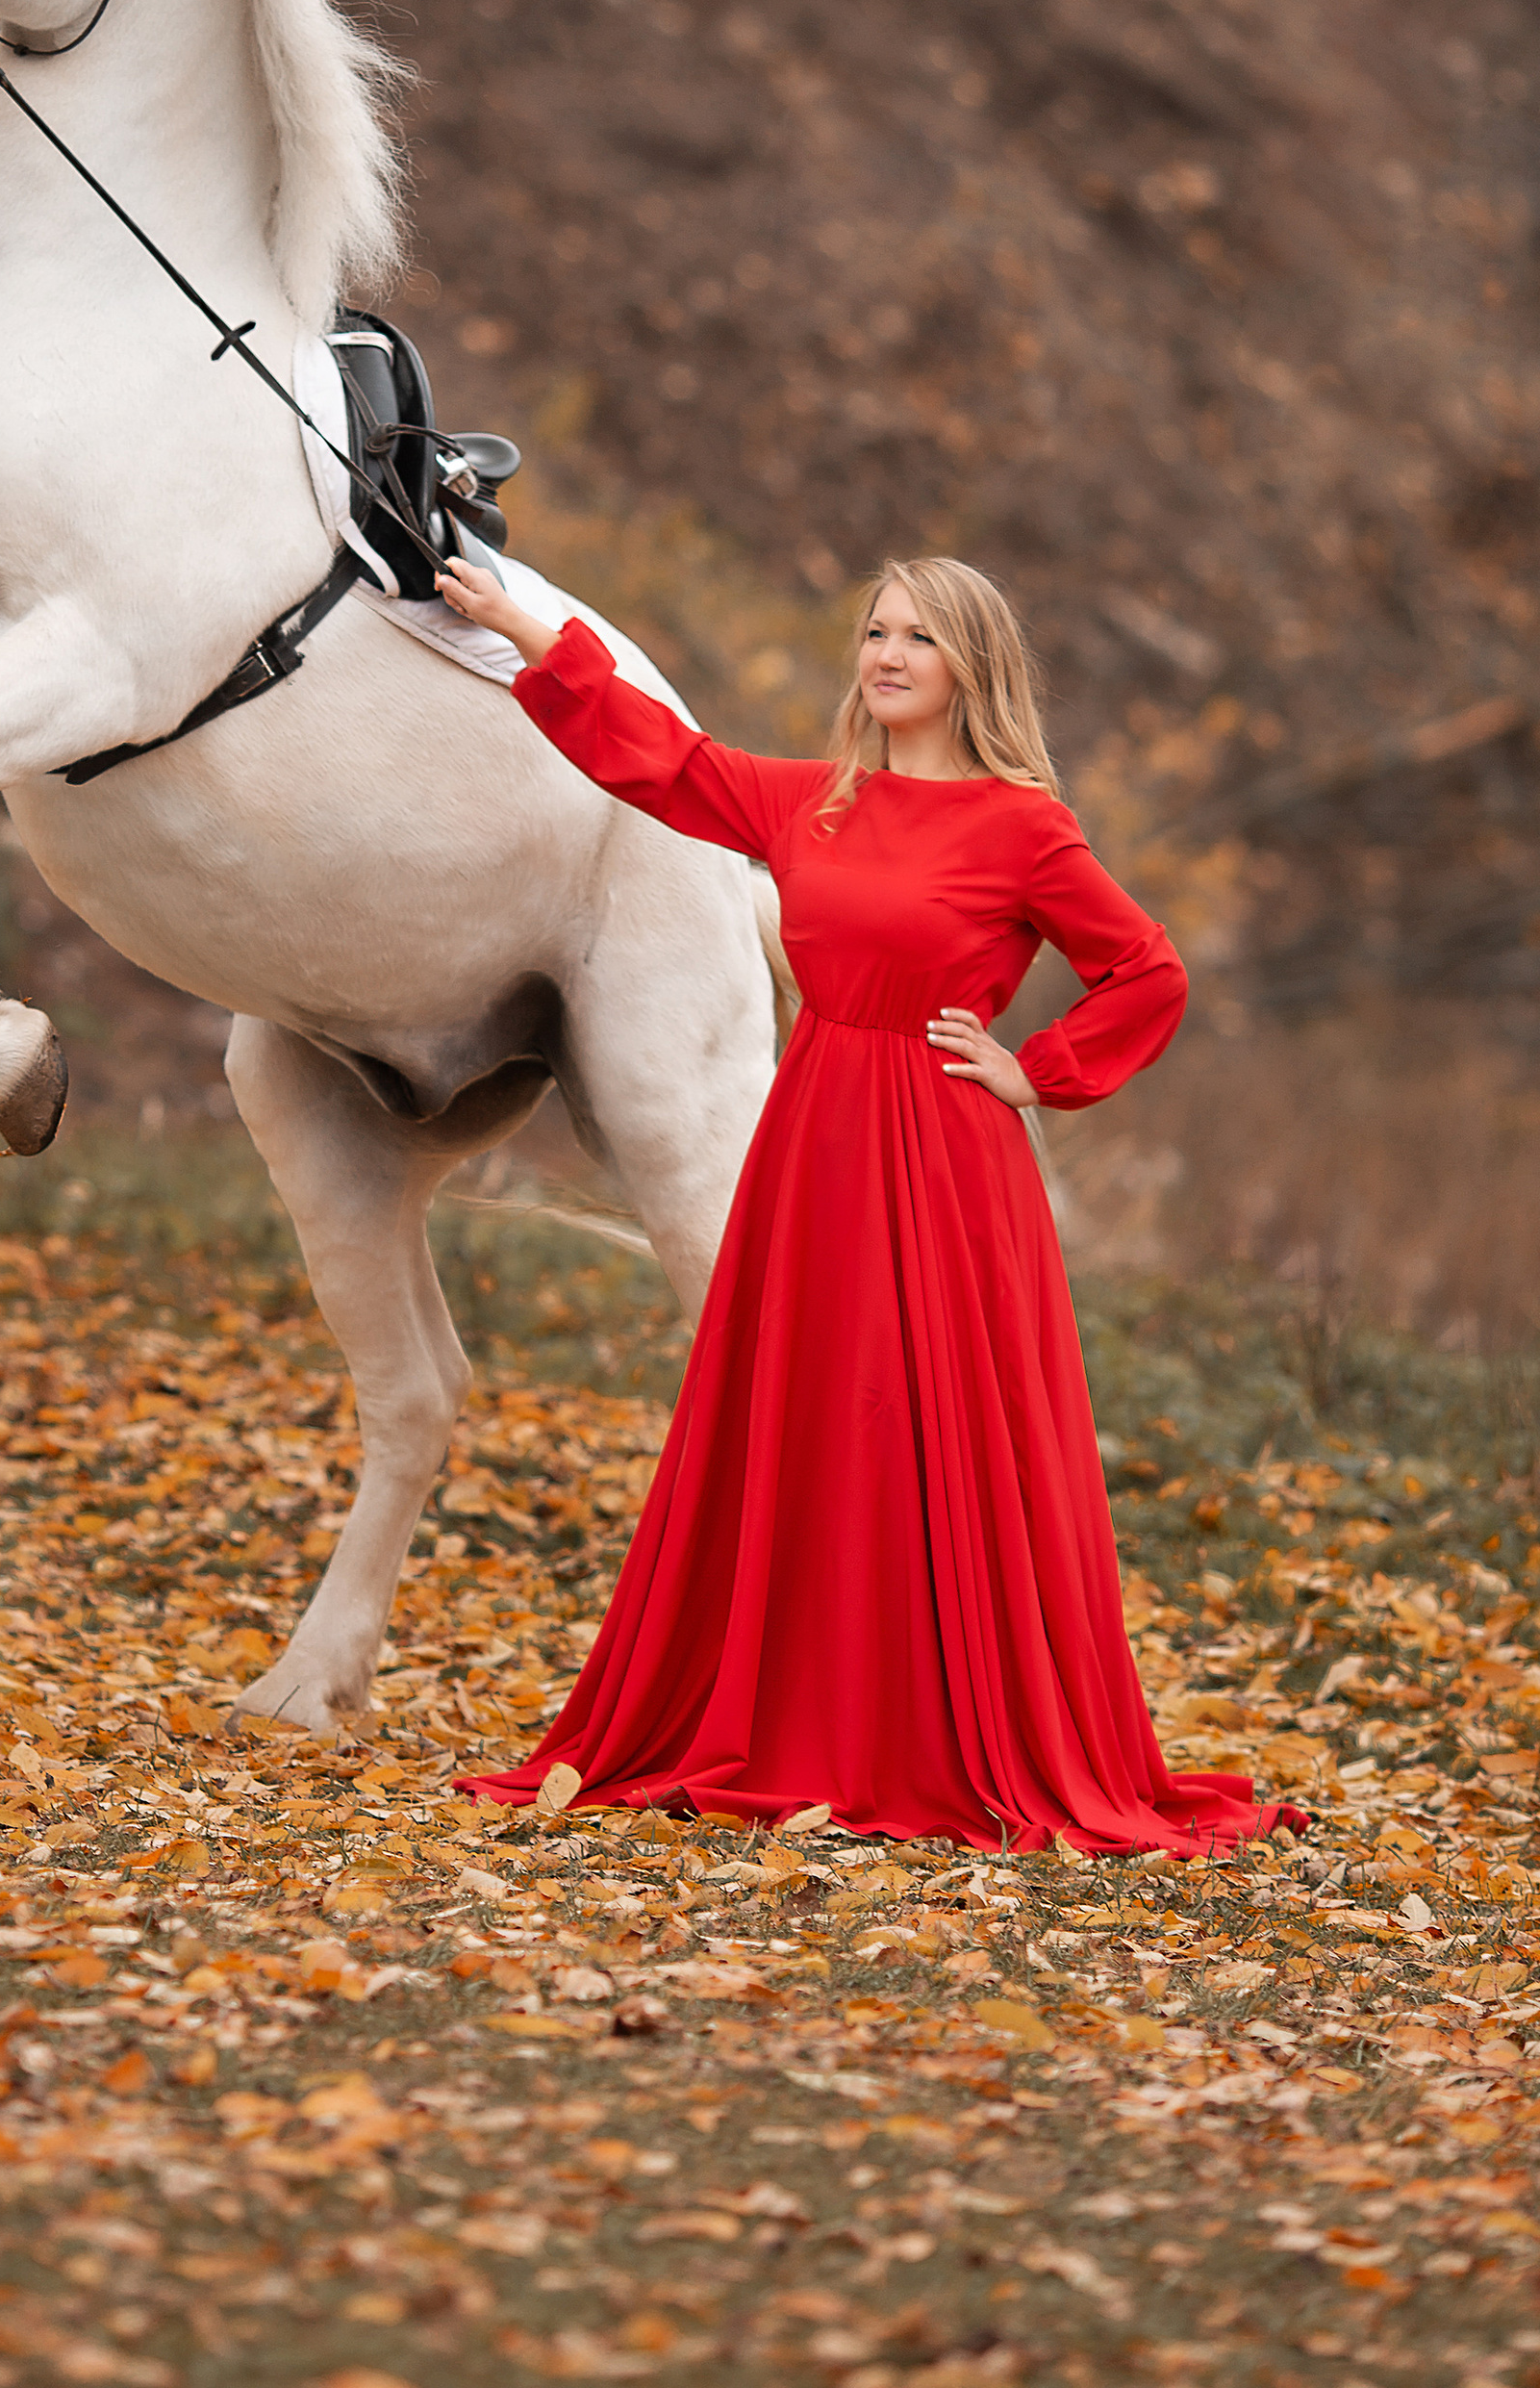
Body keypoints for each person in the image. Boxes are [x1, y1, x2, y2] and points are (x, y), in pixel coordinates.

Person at [432, 546, 1300, 1856]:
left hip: (948, 1162)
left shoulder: (1024, 827)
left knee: (932, 1425)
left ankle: (935, 1732)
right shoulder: (812, 803)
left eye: (919, 639)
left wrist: (1038, 1072)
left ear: (971, 669)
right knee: (816, 1413)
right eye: (875, 633)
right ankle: (795, 1719)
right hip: (816, 1140)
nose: (886, 656)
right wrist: (529, 634)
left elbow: (1146, 969)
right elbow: (662, 760)